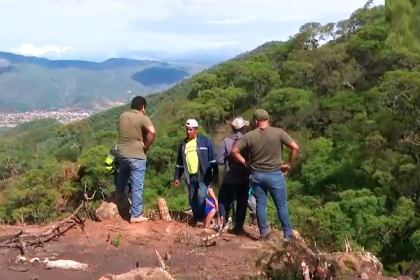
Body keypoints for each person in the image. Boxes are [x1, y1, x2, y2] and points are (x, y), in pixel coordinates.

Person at [231, 109, 300, 242]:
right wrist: (289, 164)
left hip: (257, 175)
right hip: (275, 174)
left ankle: (264, 234)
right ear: (268, 119)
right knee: (281, 204)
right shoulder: (278, 133)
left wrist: (246, 163)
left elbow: (235, 151)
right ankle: (288, 234)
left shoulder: (249, 136)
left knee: (261, 204)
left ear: (256, 121)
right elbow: (295, 147)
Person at [116, 96, 156, 224]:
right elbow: (152, 131)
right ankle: (136, 215)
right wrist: (146, 146)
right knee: (137, 186)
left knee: (123, 173)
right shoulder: (142, 117)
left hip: (122, 154)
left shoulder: (122, 116)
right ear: (143, 107)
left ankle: (118, 196)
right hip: (137, 155)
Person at [173, 119, 219, 224]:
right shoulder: (183, 144)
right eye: (187, 129)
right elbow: (179, 164)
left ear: (196, 130)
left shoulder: (205, 141)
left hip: (203, 175)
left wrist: (215, 175)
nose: (188, 132)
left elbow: (213, 160)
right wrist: (177, 177)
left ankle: (199, 219)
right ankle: (197, 218)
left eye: (190, 129)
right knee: (192, 199)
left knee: (201, 196)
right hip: (190, 175)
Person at [216, 117, 250, 234]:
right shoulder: (248, 140)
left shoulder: (226, 141)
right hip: (244, 176)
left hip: (229, 176)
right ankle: (238, 227)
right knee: (242, 201)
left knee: (224, 200)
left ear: (232, 128)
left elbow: (219, 160)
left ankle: (223, 223)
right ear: (244, 128)